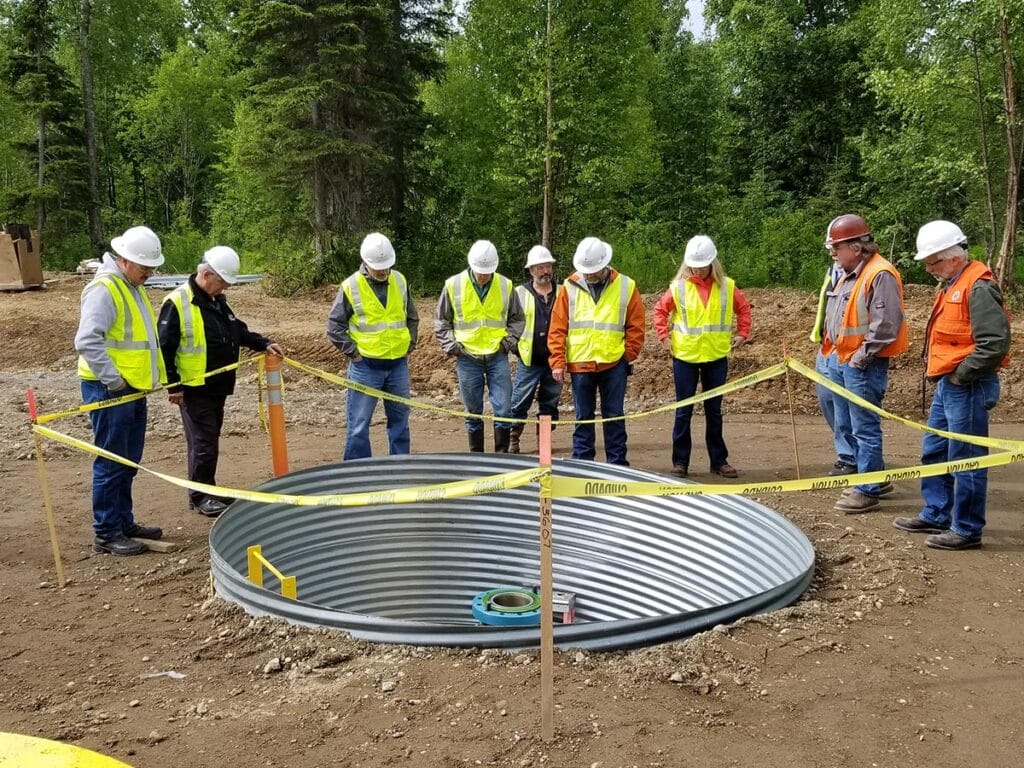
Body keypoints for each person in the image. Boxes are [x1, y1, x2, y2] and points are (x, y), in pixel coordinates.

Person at [893, 221, 1011, 550]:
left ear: (953, 257)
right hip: (950, 383)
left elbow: (995, 343)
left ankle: (967, 529)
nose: (929, 269)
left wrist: (963, 374)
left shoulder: (978, 287)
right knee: (935, 451)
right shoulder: (952, 282)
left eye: (932, 262)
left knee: (966, 458)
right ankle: (937, 512)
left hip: (967, 385)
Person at [159, 246, 283, 518]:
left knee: (208, 440)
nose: (225, 286)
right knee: (203, 443)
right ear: (206, 274)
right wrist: (174, 386)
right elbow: (164, 348)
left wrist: (262, 343)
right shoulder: (178, 303)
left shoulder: (216, 300)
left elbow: (236, 329)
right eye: (223, 281)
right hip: (194, 388)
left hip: (217, 387)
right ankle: (200, 495)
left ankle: (206, 488)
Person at [74, 226, 167, 555]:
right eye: (145, 268)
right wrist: (114, 380)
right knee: (112, 461)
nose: (150, 274)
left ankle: (123, 521)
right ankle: (107, 531)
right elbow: (86, 341)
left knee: (129, 460)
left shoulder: (131, 286)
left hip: (131, 389)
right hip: (109, 390)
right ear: (125, 260)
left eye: (152, 268)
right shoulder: (104, 289)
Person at [821, 214, 909, 514]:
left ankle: (868, 489)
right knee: (850, 423)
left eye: (837, 247)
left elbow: (886, 325)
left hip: (862, 364)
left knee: (864, 427)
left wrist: (861, 357)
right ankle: (875, 477)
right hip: (843, 358)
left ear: (856, 247)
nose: (833, 253)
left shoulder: (879, 273)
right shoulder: (848, 272)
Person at [653, 235, 751, 478]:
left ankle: (719, 461)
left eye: (702, 264)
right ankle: (680, 463)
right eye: (694, 265)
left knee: (714, 411)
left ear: (712, 263)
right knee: (683, 411)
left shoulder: (727, 286)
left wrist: (743, 333)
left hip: (716, 357)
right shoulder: (678, 287)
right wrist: (664, 338)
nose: (698, 268)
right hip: (685, 357)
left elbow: (743, 308)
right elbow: (659, 311)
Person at [548, 237, 645, 465]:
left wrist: (627, 355)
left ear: (604, 265)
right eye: (586, 271)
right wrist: (558, 361)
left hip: (614, 363)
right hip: (581, 364)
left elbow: (637, 325)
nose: (589, 275)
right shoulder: (569, 287)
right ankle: (582, 465)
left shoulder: (626, 286)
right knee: (583, 418)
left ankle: (617, 465)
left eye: (593, 271)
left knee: (614, 416)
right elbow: (558, 327)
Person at [327, 232, 418, 460]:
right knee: (358, 425)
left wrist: (410, 344)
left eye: (385, 266)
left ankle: (398, 469)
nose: (381, 270)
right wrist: (354, 354)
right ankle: (357, 474)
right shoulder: (351, 286)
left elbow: (412, 317)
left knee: (400, 422)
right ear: (365, 262)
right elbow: (334, 326)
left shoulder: (399, 280)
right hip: (365, 366)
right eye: (377, 266)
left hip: (397, 365)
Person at [435, 240, 524, 452]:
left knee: (503, 409)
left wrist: (507, 343)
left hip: (497, 356)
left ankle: (501, 457)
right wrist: (453, 347)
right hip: (467, 359)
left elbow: (518, 319)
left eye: (487, 272)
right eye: (479, 272)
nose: (483, 276)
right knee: (473, 412)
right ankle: (477, 457)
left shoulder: (505, 285)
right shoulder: (454, 285)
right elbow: (441, 321)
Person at [508, 245, 562, 454]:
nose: (544, 271)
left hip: (555, 360)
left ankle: (544, 444)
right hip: (528, 359)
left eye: (547, 266)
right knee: (520, 401)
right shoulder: (519, 293)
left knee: (549, 402)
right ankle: (513, 440)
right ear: (530, 270)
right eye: (539, 268)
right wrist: (515, 348)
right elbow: (509, 322)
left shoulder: (563, 291)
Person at [811, 261, 859, 476]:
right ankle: (849, 453)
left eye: (836, 247)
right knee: (829, 401)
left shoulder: (865, 274)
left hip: (848, 350)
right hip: (827, 346)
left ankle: (854, 457)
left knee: (850, 408)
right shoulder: (833, 270)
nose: (832, 253)